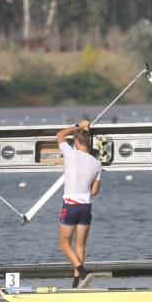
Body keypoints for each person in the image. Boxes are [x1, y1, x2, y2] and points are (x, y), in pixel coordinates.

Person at [56, 119, 101, 287]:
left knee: (64, 244)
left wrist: (77, 127)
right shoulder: (97, 163)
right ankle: (77, 284)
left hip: (71, 205)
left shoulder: (71, 154)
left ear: (75, 142)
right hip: (86, 208)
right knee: (80, 244)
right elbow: (95, 191)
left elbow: (60, 135)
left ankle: (83, 273)